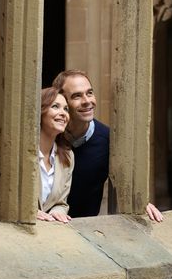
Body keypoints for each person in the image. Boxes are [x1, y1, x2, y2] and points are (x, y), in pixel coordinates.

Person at [52, 69, 163, 222]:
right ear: (62, 101)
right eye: (77, 96)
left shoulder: (109, 140)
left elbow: (125, 181)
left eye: (89, 93)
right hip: (47, 226)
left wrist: (141, 204)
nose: (87, 101)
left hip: (85, 230)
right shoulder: (48, 136)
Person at [0, 87, 74, 224]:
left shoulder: (67, 156)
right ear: (39, 112)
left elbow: (61, 203)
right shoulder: (11, 149)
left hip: (43, 236)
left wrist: (57, 212)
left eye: (66, 109)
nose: (63, 113)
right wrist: (25, 213)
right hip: (5, 234)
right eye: (55, 107)